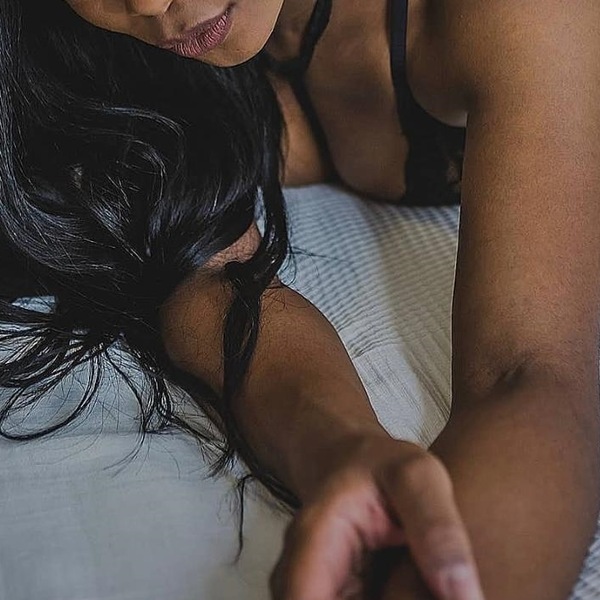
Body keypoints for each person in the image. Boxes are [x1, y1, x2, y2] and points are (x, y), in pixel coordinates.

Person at [0, 0, 599, 598]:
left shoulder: (521, 16)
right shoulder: (102, 55)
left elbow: (530, 370)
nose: (149, 2)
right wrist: (342, 449)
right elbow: (212, 274)